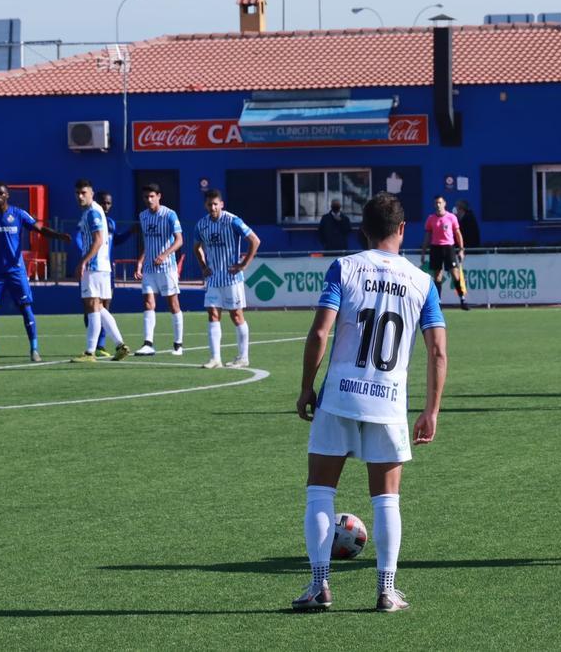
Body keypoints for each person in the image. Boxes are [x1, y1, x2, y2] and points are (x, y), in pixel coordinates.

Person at [292, 191, 447, 613]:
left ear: (362, 230)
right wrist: (431, 410)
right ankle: (386, 590)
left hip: (339, 395)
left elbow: (321, 332)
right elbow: (437, 351)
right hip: (390, 401)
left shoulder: (344, 268)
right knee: (386, 498)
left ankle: (320, 586)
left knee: (320, 491)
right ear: (402, 229)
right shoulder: (422, 281)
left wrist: (307, 386)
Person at [0, 182, 70, 363]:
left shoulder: (18, 214)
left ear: (7, 195)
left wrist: (58, 236)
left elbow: (39, 228)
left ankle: (34, 349)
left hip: (16, 272)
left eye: (1, 194)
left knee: (26, 309)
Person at [193, 189, 260, 369]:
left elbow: (255, 240)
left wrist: (243, 265)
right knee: (213, 314)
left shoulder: (233, 221)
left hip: (232, 278)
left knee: (236, 316)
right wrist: (203, 266)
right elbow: (196, 247)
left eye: (216, 204)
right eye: (209, 204)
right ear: (205, 205)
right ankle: (215, 358)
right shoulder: (201, 225)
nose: (213, 207)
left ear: (221, 204)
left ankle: (243, 357)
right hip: (214, 278)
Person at [72, 179, 130, 363]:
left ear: (91, 193)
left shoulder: (92, 213)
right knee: (98, 307)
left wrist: (83, 261)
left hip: (95, 267)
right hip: (102, 267)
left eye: (83, 193)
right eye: (77, 193)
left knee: (91, 306)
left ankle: (90, 352)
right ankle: (120, 345)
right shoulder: (93, 211)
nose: (80, 196)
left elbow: (98, 240)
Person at [133, 183, 186, 356]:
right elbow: (148, 243)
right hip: (149, 269)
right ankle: (148, 344)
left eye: (152, 196)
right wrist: (140, 262)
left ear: (159, 196)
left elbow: (179, 240)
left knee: (173, 304)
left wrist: (164, 255)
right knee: (148, 302)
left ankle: (178, 344)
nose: (149, 200)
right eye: (146, 197)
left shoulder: (170, 215)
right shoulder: (143, 216)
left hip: (167, 268)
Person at [419, 195, 469, 310]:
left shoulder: (451, 217)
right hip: (435, 248)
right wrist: (423, 252)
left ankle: (462, 299)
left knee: (455, 274)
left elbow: (458, 234)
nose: (438, 205)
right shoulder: (431, 219)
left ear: (444, 203)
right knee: (437, 277)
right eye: (436, 203)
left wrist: (461, 250)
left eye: (440, 202)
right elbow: (427, 237)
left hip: (449, 248)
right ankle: (438, 302)